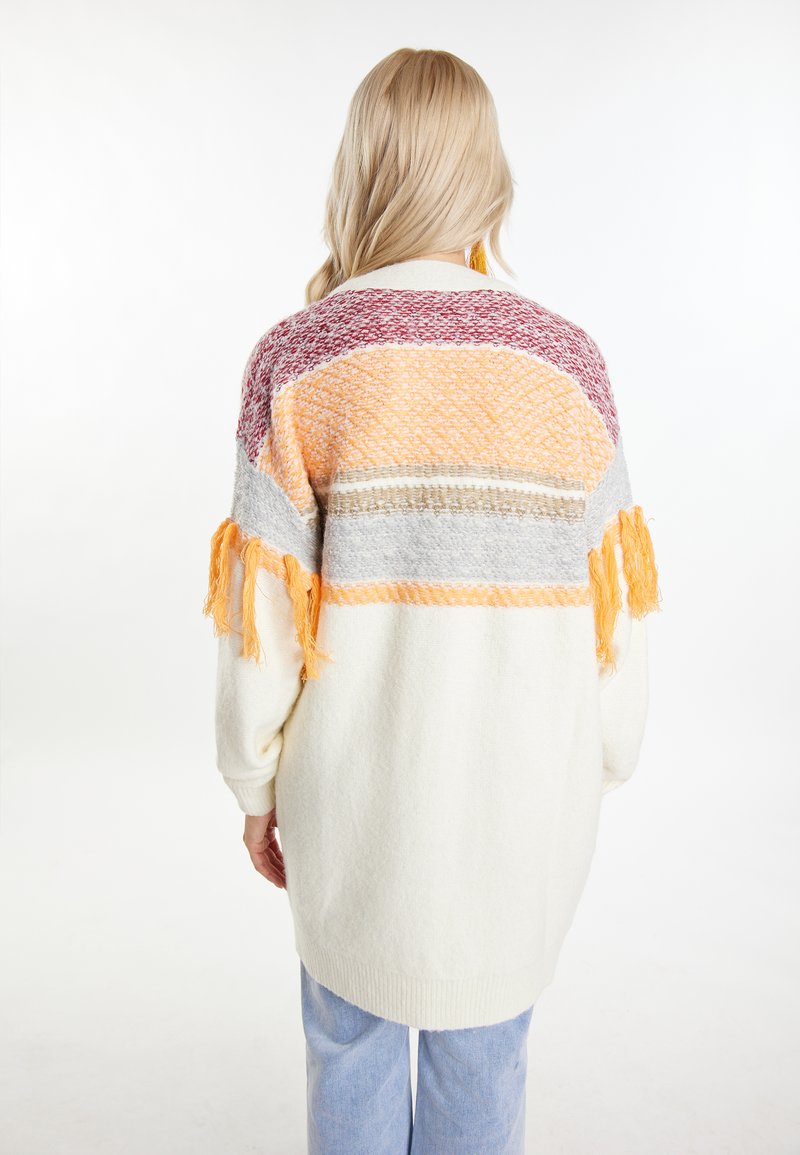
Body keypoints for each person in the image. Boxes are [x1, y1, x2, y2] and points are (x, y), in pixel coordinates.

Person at [203, 46, 660, 1155]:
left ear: (362, 169)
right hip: (521, 806)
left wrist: (254, 784)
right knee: (486, 1058)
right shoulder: (566, 365)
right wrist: (594, 762)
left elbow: (262, 625)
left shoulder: (300, 359)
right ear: (485, 176)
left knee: (349, 1044)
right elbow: (616, 619)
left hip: (352, 812)